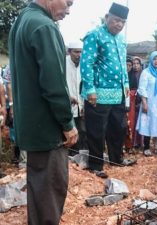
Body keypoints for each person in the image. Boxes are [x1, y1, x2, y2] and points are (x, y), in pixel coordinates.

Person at [8, 0, 78, 224]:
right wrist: (67, 124)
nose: (68, 10)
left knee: (39, 189)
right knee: (50, 191)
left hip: (31, 125)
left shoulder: (24, 19)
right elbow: (53, 83)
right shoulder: (44, 26)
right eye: (67, 2)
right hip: (48, 129)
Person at [80, 2, 133, 179]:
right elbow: (86, 64)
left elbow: (123, 65)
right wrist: (90, 89)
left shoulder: (121, 39)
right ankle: (95, 164)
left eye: (122, 22)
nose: (119, 24)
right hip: (98, 93)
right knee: (96, 130)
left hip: (118, 93)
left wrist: (125, 83)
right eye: (116, 20)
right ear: (107, 17)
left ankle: (116, 159)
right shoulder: (94, 35)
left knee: (118, 127)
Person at [136, 51, 157, 156]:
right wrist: (144, 103)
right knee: (148, 124)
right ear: (151, 60)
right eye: (154, 59)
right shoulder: (146, 72)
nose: (156, 61)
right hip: (149, 103)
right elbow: (142, 88)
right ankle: (146, 147)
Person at [66, 41, 87, 152]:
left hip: (82, 103)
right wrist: (67, 97)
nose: (79, 55)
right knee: (69, 130)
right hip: (67, 103)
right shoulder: (62, 64)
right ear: (69, 52)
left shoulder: (84, 65)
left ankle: (80, 155)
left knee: (83, 130)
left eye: (81, 52)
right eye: (76, 52)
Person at [125, 56, 143, 151]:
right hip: (118, 104)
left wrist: (129, 94)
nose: (128, 67)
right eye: (126, 65)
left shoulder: (133, 78)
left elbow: (135, 91)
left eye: (130, 65)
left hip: (131, 105)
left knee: (130, 124)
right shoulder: (120, 76)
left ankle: (129, 145)